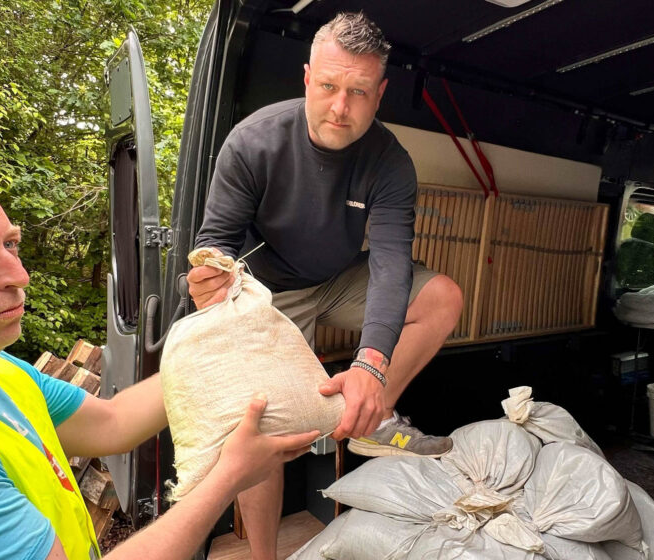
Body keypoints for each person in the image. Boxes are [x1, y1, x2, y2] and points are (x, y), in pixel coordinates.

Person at [0, 172, 319, 560]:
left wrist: (221, 328)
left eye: (10, 245)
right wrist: (228, 478)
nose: (19, 276)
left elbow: (113, 424)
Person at [187, 11, 464, 560]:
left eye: (359, 92)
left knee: (443, 295)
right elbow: (215, 240)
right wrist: (210, 278)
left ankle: (374, 416)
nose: (341, 107)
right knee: (258, 428)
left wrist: (369, 366)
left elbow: (390, 264)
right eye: (331, 87)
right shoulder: (253, 142)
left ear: (380, 93)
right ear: (308, 78)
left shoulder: (390, 162)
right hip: (269, 291)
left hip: (338, 279)